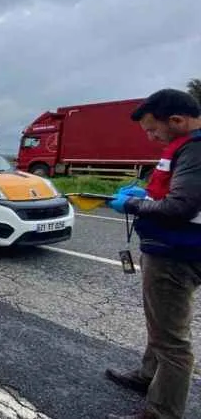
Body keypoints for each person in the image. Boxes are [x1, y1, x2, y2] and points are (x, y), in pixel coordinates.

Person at [104, 88, 201, 419]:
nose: (150, 137)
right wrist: (144, 193)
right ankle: (148, 376)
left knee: (172, 341)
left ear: (176, 121)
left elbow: (180, 206)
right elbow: (175, 191)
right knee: (160, 323)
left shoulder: (195, 150)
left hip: (177, 254)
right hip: (171, 248)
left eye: (153, 129)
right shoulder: (185, 148)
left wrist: (132, 204)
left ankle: (162, 412)